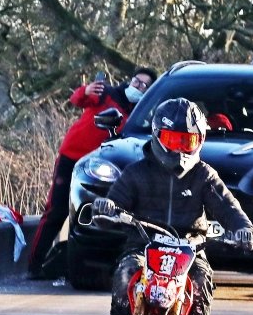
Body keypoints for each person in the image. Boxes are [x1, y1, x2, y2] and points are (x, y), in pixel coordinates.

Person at [91, 98, 253, 315]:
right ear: (157, 136)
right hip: (144, 244)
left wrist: (243, 227)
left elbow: (228, 207)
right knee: (125, 273)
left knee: (201, 291)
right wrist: (107, 208)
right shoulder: (137, 172)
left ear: (200, 142)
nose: (181, 149)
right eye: (173, 140)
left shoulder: (205, 176)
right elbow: (115, 203)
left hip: (190, 249)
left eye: (188, 141)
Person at [27, 66, 158, 279]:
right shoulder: (106, 94)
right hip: (71, 156)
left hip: (97, 168)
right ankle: (34, 265)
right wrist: (85, 90)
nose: (138, 87)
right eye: (136, 81)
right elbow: (77, 99)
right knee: (56, 211)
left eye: (144, 86)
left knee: (91, 216)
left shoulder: (138, 116)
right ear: (130, 80)